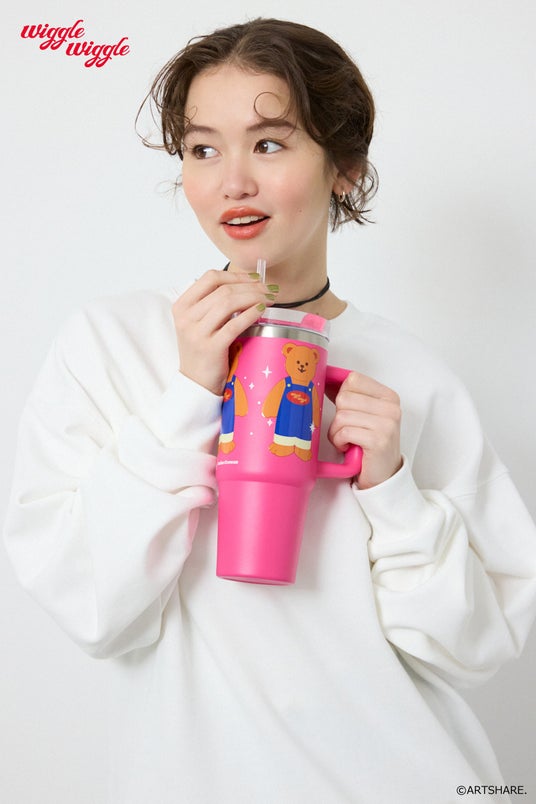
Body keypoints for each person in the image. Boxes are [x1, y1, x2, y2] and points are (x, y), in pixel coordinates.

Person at [4, 17, 536, 804]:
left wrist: (390, 486)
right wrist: (190, 391)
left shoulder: (413, 378)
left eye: (269, 143)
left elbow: (474, 647)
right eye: (202, 149)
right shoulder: (116, 344)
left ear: (344, 168)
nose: (232, 183)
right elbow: (93, 610)